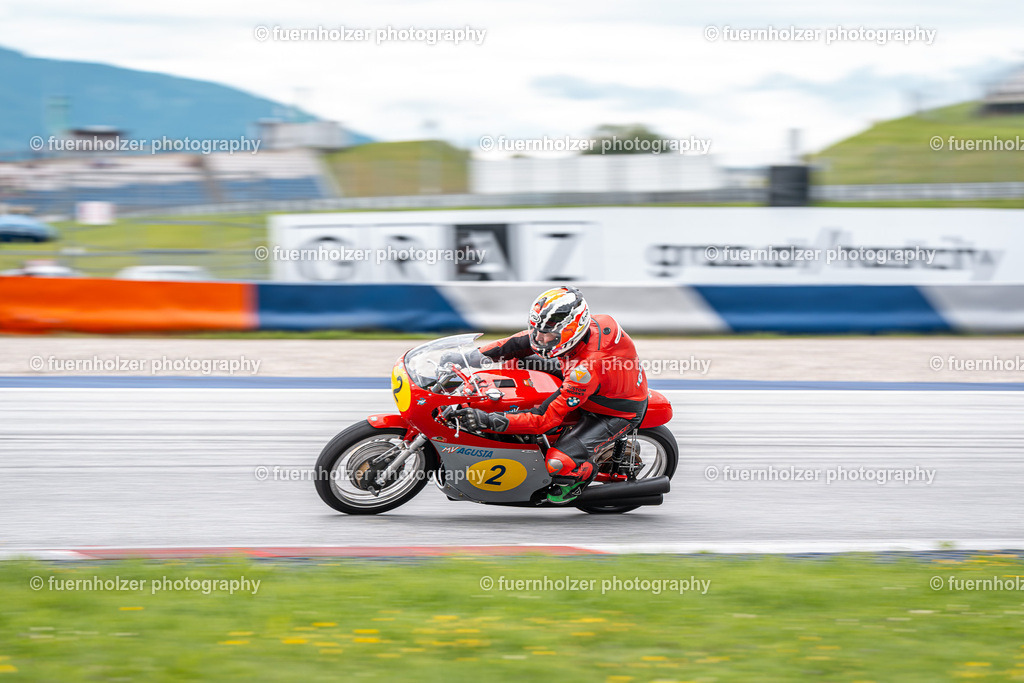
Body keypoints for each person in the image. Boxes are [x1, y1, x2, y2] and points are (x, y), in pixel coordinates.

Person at [451, 286, 648, 504]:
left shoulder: (585, 370)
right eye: (538, 331)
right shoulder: (583, 330)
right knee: (514, 361)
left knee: (557, 463)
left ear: (572, 331)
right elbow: (521, 342)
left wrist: (488, 420)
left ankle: (582, 475)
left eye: (548, 335)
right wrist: (472, 356)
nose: (540, 339)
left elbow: (544, 419)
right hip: (590, 376)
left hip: (614, 410)